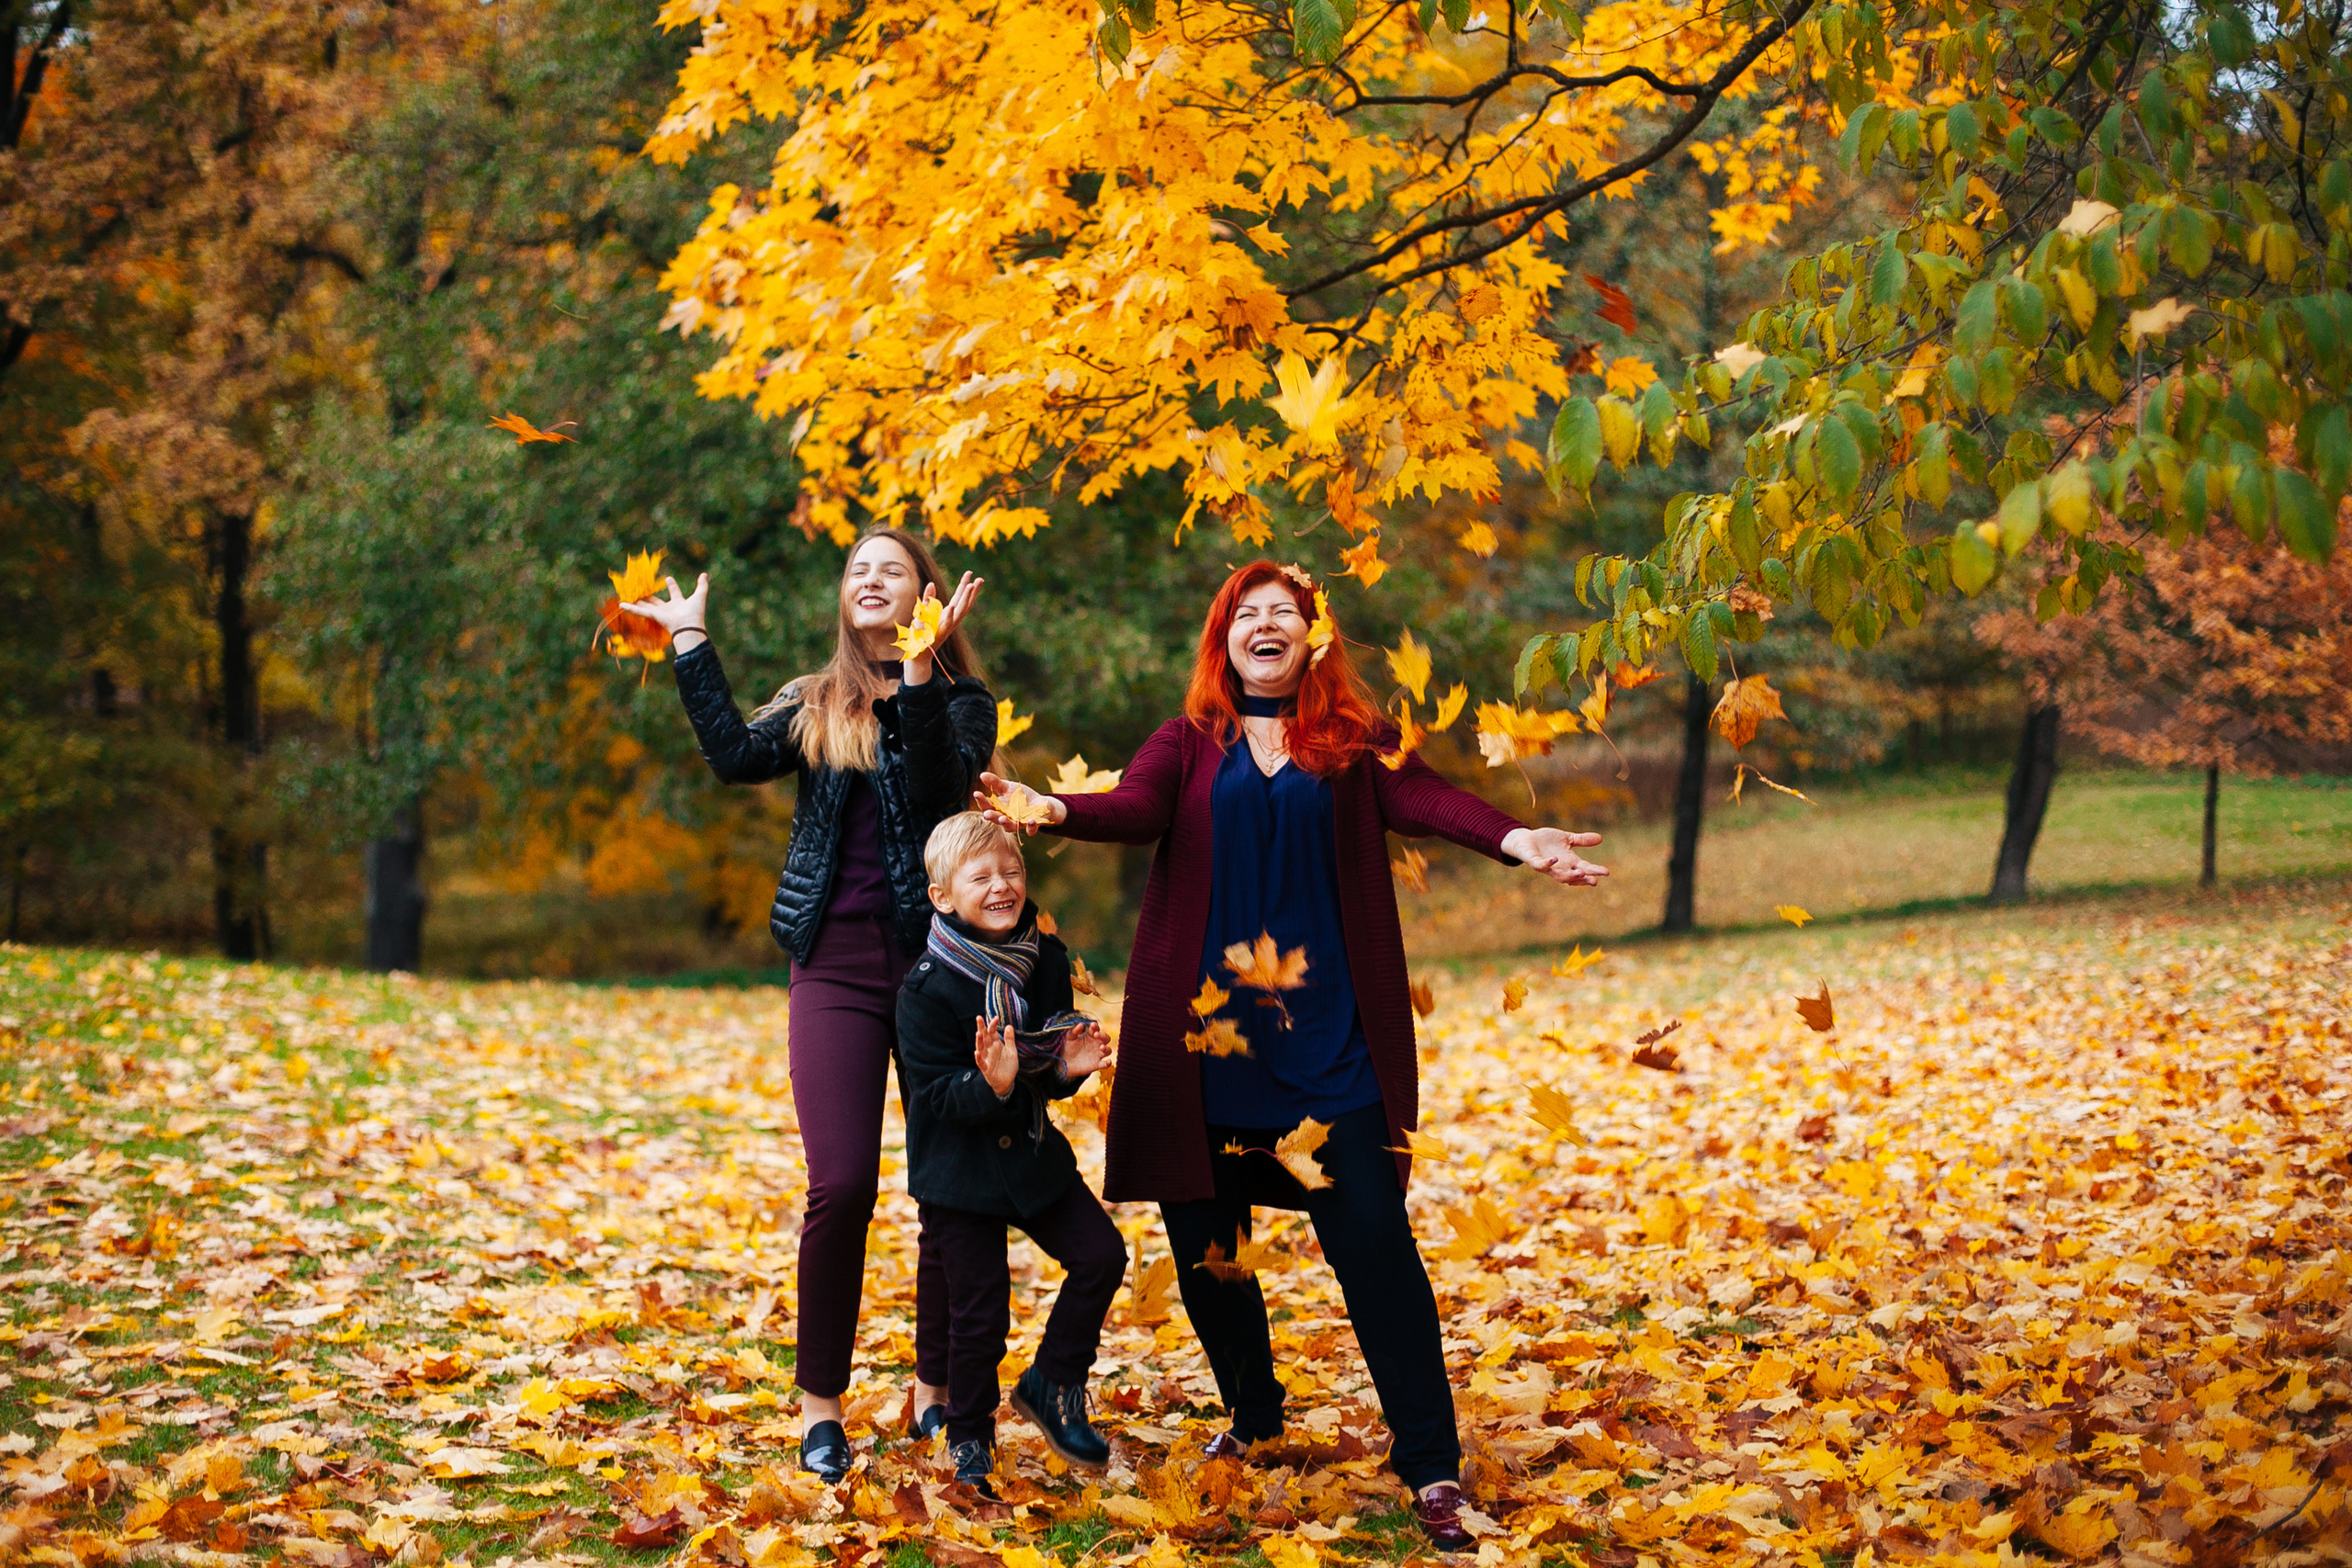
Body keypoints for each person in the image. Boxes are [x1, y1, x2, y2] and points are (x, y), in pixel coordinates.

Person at [973, 561, 1606, 1550]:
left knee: (1377, 1251)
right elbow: (1133, 807)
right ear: (1223, 638)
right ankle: (1256, 1412)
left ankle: (1431, 1464)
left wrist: (1519, 836)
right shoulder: (1187, 741)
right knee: (1210, 1256)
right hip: (1204, 1050)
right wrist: (1052, 809)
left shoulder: (1354, 740)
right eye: (1248, 613)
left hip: (1329, 1051)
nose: (1267, 625)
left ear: (1314, 639)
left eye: (1287, 613)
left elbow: (1433, 801)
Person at [623, 529, 996, 1481]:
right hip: (832, 967)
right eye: (858, 569)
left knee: (946, 1187)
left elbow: (940, 790)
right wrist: (690, 640)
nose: (870, 580)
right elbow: (734, 757)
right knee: (841, 1185)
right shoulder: (814, 698)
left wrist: (919, 673)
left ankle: (935, 1391)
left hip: (935, 973)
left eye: (891, 570)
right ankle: (821, 1408)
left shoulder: (962, 702)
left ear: (925, 594)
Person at [895, 812, 1125, 1496]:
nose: (1002, 885)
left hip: (1028, 1155)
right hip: (957, 1175)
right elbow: (934, 1097)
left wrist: (1065, 1068)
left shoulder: (1044, 959)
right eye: (982, 877)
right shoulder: (924, 988)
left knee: (1101, 1255)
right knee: (980, 1313)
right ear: (942, 896)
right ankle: (969, 1433)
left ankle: (1053, 1382)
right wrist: (990, 1084)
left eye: (1012, 871)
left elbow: (1045, 1069)